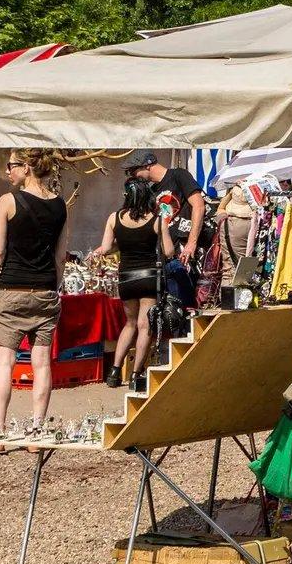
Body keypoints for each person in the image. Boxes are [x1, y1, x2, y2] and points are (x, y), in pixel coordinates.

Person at [0, 150, 68, 449]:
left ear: (27, 168)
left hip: (11, 291)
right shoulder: (59, 205)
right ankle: (37, 433)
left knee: (4, 364)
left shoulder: (8, 201)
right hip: (44, 291)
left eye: (12, 165)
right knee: (42, 364)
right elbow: (60, 256)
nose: (7, 171)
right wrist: (53, 288)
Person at [89, 177, 178, 389]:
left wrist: (126, 244)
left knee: (129, 324)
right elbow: (169, 251)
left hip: (126, 278)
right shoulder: (157, 220)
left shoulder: (114, 218)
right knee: (144, 325)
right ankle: (136, 375)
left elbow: (107, 247)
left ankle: (115, 371)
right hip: (149, 277)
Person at [125, 149, 208, 282]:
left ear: (147, 165)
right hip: (165, 257)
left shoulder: (178, 175)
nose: (132, 175)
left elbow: (198, 205)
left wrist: (191, 243)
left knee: (185, 298)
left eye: (133, 171)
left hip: (186, 253)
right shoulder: (152, 191)